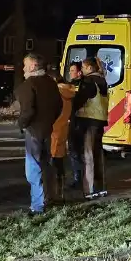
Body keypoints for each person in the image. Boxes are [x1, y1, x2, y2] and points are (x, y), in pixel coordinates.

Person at [15, 52, 62, 214]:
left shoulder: (28, 85)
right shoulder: (51, 83)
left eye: (25, 65)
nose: (23, 68)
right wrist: (49, 121)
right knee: (46, 164)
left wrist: (21, 124)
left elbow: (27, 111)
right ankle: (50, 196)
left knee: (33, 168)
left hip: (33, 131)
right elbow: (59, 106)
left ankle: (37, 205)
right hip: (47, 129)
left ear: (33, 66)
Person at [71, 56, 109, 199]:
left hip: (88, 121)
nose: (82, 70)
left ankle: (90, 189)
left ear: (89, 67)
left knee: (89, 155)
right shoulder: (102, 80)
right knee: (97, 154)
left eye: (83, 67)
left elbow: (80, 100)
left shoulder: (89, 81)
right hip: (99, 121)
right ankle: (100, 187)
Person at [48, 71, 76, 202]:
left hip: (53, 130)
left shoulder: (56, 92)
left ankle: (55, 194)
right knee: (59, 163)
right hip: (63, 129)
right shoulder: (68, 92)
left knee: (53, 164)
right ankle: (60, 192)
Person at [65, 61, 85, 187]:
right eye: (70, 71)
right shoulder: (71, 85)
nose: (70, 73)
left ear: (79, 72)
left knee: (76, 151)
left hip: (78, 122)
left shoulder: (81, 86)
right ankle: (79, 178)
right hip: (75, 121)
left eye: (73, 71)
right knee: (75, 152)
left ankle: (79, 179)